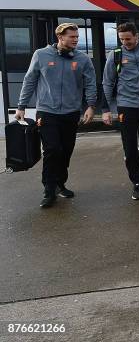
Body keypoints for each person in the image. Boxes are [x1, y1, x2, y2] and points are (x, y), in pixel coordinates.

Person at [16, 23, 97, 208]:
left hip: (71, 112)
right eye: (72, 37)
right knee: (52, 150)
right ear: (60, 37)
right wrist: (21, 106)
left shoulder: (82, 59)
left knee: (66, 150)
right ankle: (49, 189)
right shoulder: (41, 55)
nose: (76, 40)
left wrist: (91, 106)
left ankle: (61, 182)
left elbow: (91, 83)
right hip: (47, 111)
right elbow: (29, 80)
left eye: (77, 37)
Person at [102, 22, 139, 200]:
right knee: (129, 145)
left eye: (128, 38)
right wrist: (105, 109)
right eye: (121, 39)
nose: (125, 42)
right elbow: (108, 81)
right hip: (126, 104)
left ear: (137, 36)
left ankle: (135, 164)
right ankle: (137, 182)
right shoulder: (116, 55)